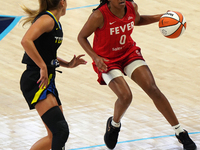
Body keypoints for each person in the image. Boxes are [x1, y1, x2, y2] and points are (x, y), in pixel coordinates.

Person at [77, 0, 197, 150]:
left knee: (152, 88)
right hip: (107, 60)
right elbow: (81, 37)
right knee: (126, 96)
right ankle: (114, 125)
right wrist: (95, 57)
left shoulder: (131, 6)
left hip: (128, 53)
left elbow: (138, 20)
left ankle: (180, 132)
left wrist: (159, 17)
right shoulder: (98, 15)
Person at [20, 0, 87, 150]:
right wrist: (42, 66)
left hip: (47, 80)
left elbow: (46, 53)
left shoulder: (55, 22)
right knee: (61, 131)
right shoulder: (47, 20)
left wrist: (68, 64)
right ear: (62, 2)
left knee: (54, 136)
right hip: (36, 80)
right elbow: (26, 41)